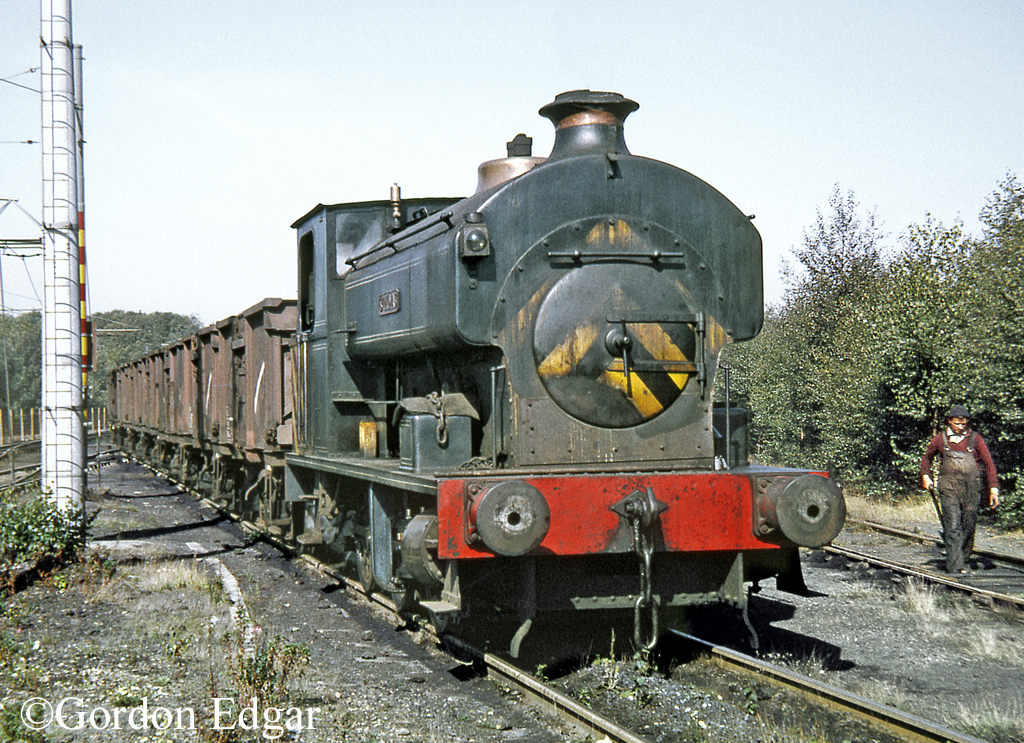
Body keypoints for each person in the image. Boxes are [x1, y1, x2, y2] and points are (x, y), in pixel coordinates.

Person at [920, 405, 999, 573]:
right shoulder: (940, 439)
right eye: (957, 424)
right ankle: (955, 566)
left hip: (972, 488)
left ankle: (963, 556)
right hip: (948, 487)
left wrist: (994, 488)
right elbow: (926, 458)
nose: (961, 427)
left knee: (969, 523)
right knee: (953, 523)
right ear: (949, 421)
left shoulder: (975, 439)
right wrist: (926, 476)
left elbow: (989, 464)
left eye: (964, 424)